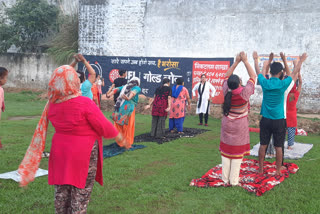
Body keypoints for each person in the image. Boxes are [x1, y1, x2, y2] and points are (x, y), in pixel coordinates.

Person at [18, 63, 125, 213]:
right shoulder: (84, 103)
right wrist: (118, 136)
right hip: (83, 152)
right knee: (80, 190)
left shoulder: (52, 104)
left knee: (62, 190)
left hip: (60, 151)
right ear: (75, 81)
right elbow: (102, 125)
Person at [257, 52, 307, 176]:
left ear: (271, 72)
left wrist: (262, 61)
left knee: (263, 145)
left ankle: (260, 169)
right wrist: (300, 61)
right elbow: (294, 73)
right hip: (279, 120)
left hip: (265, 119)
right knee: (278, 146)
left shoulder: (265, 83)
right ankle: (278, 170)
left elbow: (260, 72)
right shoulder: (283, 85)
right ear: (280, 73)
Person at [219, 52, 256, 186]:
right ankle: (234, 181)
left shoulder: (225, 90)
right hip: (240, 126)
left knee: (226, 152)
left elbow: (226, 76)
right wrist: (245, 61)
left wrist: (236, 62)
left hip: (227, 124)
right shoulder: (244, 92)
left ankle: (224, 179)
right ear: (239, 83)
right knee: (237, 153)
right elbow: (253, 76)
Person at [111, 77, 141, 149]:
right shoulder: (136, 87)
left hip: (119, 107)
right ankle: (127, 143)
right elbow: (133, 93)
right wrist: (128, 98)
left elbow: (116, 89)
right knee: (128, 126)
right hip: (129, 109)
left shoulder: (124, 87)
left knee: (118, 125)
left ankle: (120, 142)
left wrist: (109, 94)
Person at [286, 60, 302, 150]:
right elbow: (300, 83)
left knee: (280, 131)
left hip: (284, 114)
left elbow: (290, 78)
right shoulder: (296, 94)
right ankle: (289, 145)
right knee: (291, 131)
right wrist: (299, 75)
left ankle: (278, 144)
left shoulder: (285, 93)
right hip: (292, 115)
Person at [0, 67, 9, 149]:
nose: (6, 80)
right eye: (6, 77)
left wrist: (3, 105)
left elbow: (2, 99)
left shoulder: (1, 89)